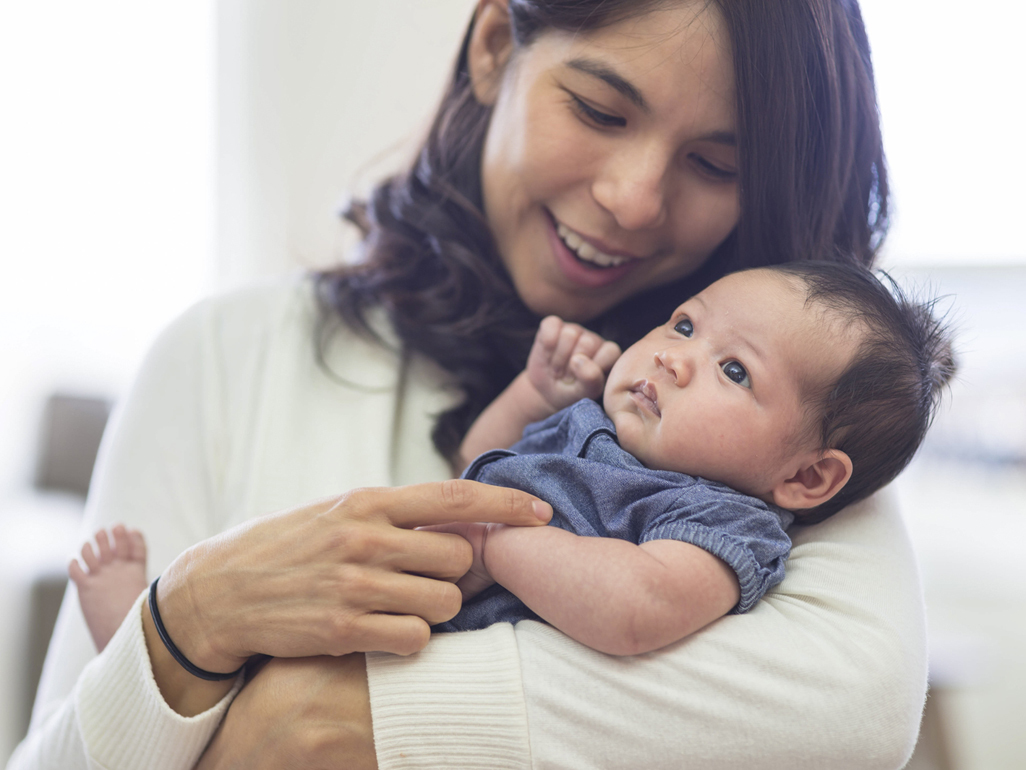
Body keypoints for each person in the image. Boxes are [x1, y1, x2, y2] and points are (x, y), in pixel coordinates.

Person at [9, 1, 928, 768]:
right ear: (494, 49)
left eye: (716, 165)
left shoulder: (780, 442)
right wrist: (186, 621)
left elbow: (856, 711)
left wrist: (316, 718)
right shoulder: (221, 355)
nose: (635, 197)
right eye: (601, 111)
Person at [69, 263, 954, 660]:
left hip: (436, 645)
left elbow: (639, 611)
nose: (674, 357)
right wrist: (533, 396)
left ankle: (159, 658)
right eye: (685, 324)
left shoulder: (724, 522)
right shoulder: (592, 427)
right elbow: (477, 459)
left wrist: (498, 543)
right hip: (391, 582)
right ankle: (148, 645)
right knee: (274, 622)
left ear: (806, 477)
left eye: (733, 370)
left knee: (288, 688)